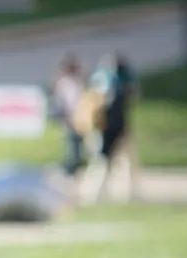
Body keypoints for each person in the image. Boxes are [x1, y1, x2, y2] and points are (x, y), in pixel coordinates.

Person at [83, 52, 139, 204]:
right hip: (109, 127)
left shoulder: (101, 79)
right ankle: (97, 193)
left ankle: (101, 193)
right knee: (105, 161)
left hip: (109, 127)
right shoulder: (112, 81)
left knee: (114, 161)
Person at [52, 54, 87, 176]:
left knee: (76, 141)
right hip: (70, 116)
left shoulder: (75, 81)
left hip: (77, 115)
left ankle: (74, 164)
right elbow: (65, 101)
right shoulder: (66, 83)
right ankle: (70, 166)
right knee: (72, 142)